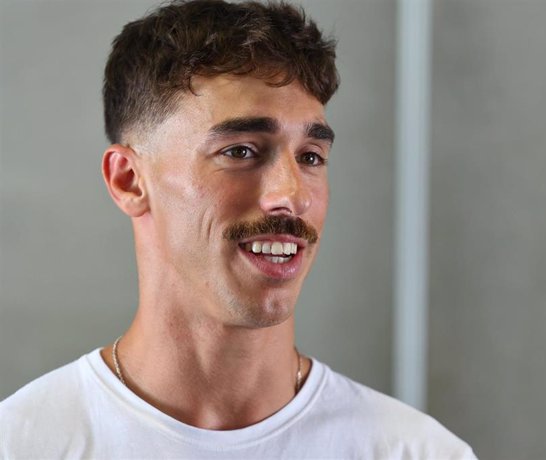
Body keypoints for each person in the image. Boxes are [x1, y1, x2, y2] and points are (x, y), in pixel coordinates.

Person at [0, 1, 476, 458]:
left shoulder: (418, 452)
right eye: (241, 151)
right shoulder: (23, 444)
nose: (292, 195)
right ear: (129, 180)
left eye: (311, 157)